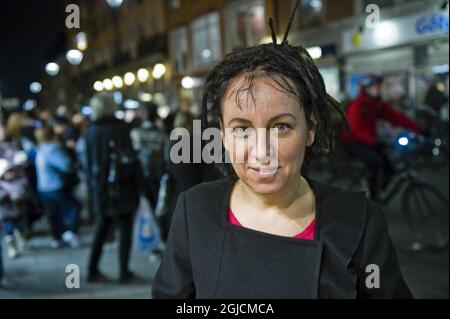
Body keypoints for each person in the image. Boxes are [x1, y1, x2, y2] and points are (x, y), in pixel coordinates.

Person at [152, 8, 412, 299]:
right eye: (242, 129)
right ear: (222, 135)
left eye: (281, 127)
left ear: (310, 129)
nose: (262, 152)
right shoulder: (195, 211)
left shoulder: (361, 222)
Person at [83, 93, 140, 283]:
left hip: (100, 188)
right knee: (125, 229)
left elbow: (87, 163)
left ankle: (92, 269)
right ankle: (124, 271)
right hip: (122, 187)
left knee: (102, 228)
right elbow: (131, 160)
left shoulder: (90, 131)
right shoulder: (121, 128)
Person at [341, 75, 424, 198]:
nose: (378, 89)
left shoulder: (377, 105)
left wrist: (420, 129)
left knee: (389, 166)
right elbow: (356, 129)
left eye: (378, 86)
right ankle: (372, 197)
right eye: (374, 87)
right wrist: (373, 141)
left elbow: (397, 117)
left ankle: (380, 189)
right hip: (353, 142)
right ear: (366, 89)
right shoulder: (357, 105)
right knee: (375, 162)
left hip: (369, 141)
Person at [35, 126, 81, 248]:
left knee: (54, 213)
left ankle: (57, 237)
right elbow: (66, 165)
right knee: (74, 207)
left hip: (43, 187)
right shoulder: (52, 149)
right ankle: (70, 232)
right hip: (55, 185)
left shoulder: (40, 149)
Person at [131, 102, 168, 210]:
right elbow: (166, 157)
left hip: (139, 175)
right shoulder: (162, 134)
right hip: (157, 174)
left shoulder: (135, 133)